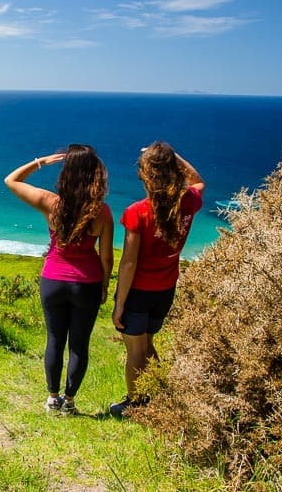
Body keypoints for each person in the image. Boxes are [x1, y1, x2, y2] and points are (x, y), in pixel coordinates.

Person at [5, 144, 114, 415]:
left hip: (52, 280)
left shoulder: (51, 202)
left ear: (67, 174)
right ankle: (70, 401)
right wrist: (105, 285)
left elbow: (12, 180)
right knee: (79, 345)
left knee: (54, 339)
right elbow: (107, 257)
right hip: (86, 283)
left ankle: (52, 398)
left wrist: (41, 161)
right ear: (94, 176)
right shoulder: (102, 212)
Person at [110, 141, 205, 417]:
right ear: (174, 172)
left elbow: (129, 263)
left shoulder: (137, 212)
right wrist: (175, 158)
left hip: (138, 292)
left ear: (146, 175)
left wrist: (119, 304)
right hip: (165, 290)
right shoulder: (188, 202)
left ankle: (135, 404)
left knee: (135, 352)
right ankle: (162, 396)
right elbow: (198, 181)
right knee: (149, 343)